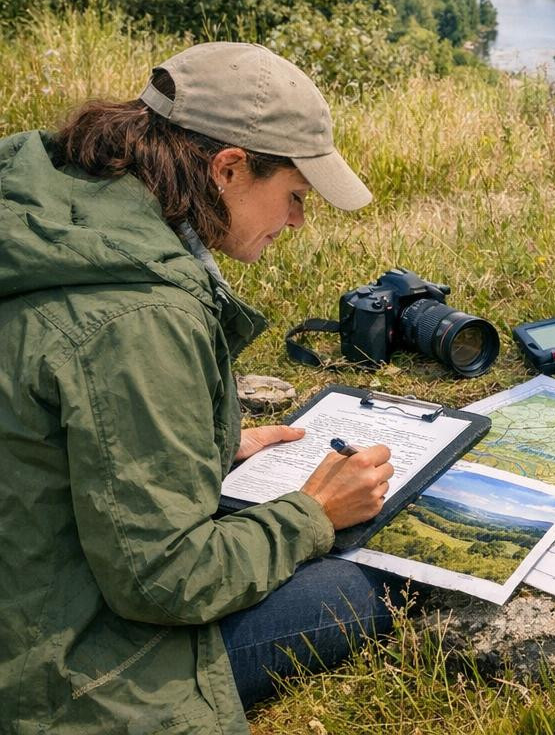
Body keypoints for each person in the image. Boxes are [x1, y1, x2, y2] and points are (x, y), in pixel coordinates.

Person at [0, 42, 398, 734]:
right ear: (228, 168)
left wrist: (203, 443)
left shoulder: (51, 213)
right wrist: (312, 514)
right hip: (59, 672)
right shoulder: (141, 316)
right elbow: (165, 580)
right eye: (295, 196)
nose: (298, 222)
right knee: (369, 580)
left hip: (24, 584)